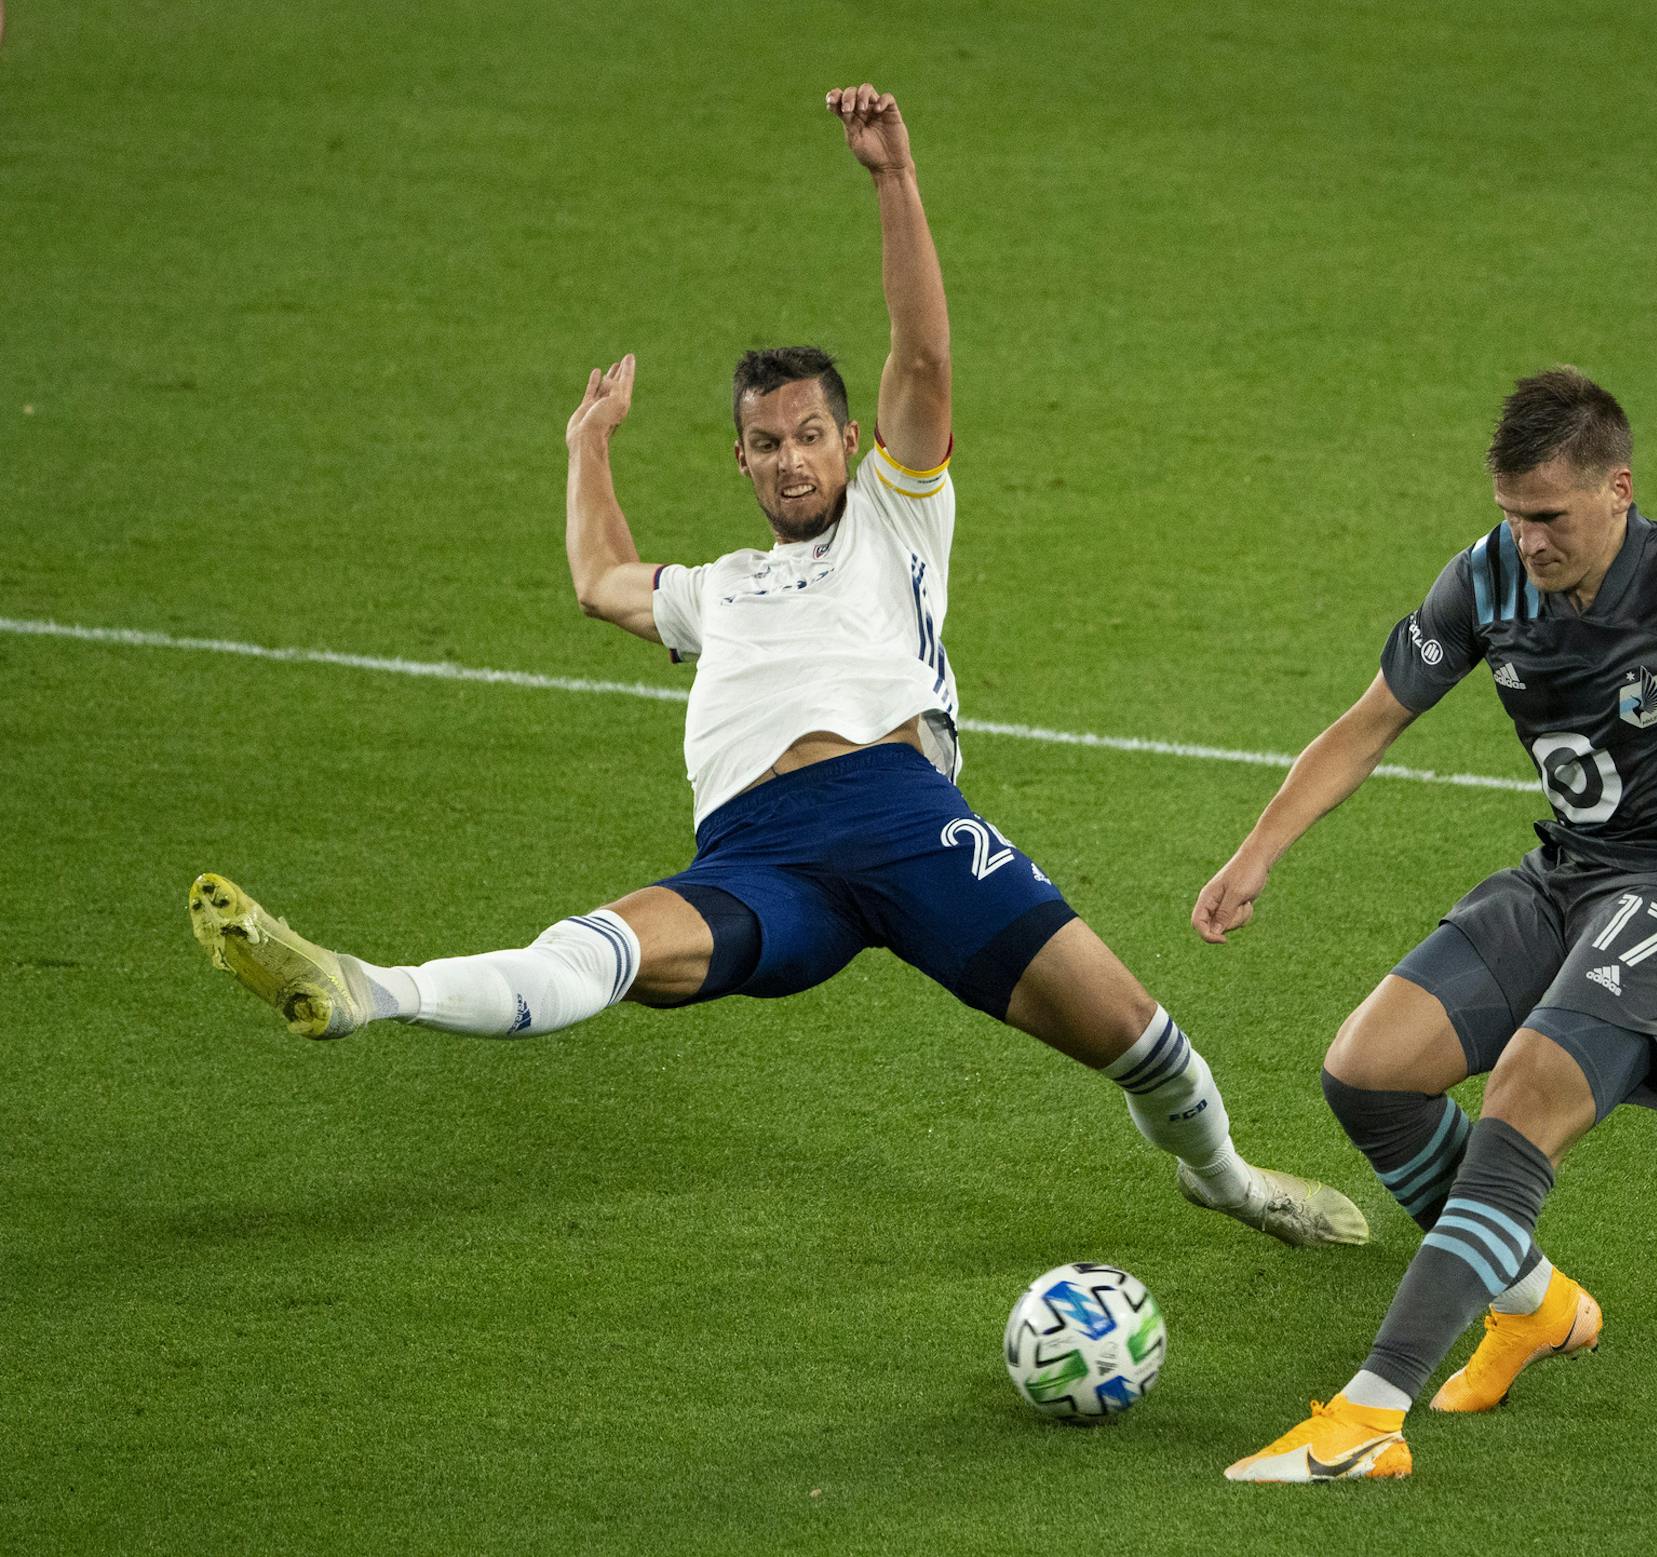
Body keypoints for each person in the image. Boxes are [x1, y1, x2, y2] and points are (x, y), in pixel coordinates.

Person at [187, 84, 1367, 1254]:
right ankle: (364, 987)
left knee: (1137, 1035)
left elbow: (926, 355)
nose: (792, 460)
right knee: (599, 953)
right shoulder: (719, 590)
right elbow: (601, 581)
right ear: (741, 459)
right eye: (767, 443)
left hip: (902, 814)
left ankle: (1226, 1180)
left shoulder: (897, 520)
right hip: (755, 853)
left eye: (810, 435)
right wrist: (586, 444)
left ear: (848, 441)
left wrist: (893, 179)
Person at [1194, 367, 1657, 1482]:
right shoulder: (1488, 579)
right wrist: (1257, 852)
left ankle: (1366, 1420)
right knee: (1368, 1073)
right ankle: (1535, 1304)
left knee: (1523, 1098)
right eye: (1512, 515)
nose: (1528, 542)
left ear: (1617, 493)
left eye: (1549, 518)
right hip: (1572, 874)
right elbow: (1370, 722)